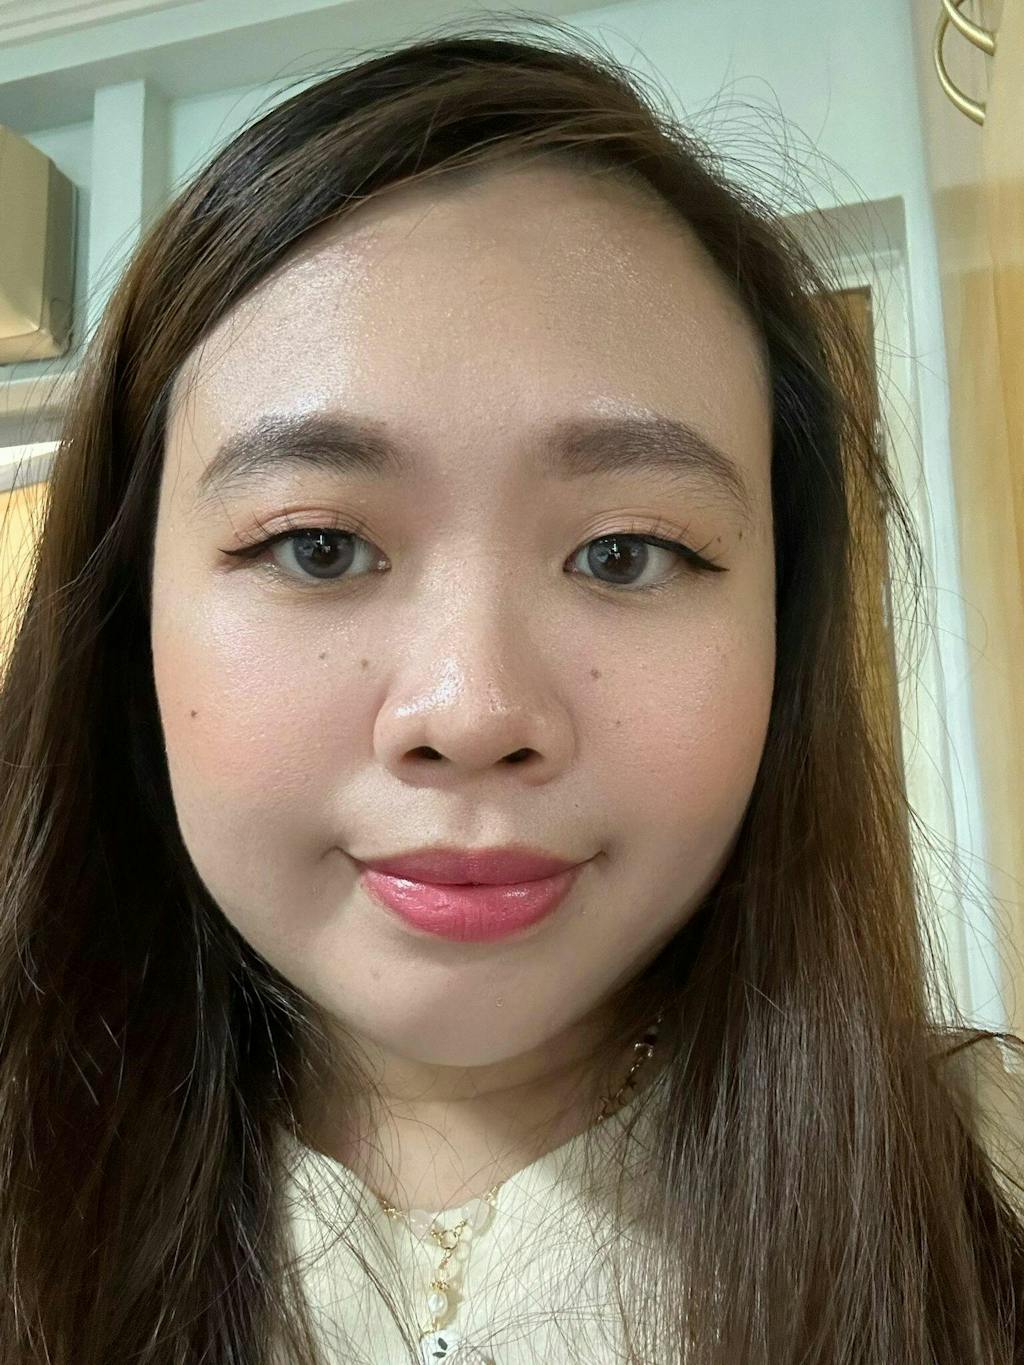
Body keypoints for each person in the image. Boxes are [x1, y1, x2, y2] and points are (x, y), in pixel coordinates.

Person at [0, 16, 1021, 1365]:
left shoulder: (987, 1173)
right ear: (127, 617)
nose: (472, 712)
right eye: (319, 545)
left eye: (625, 552)